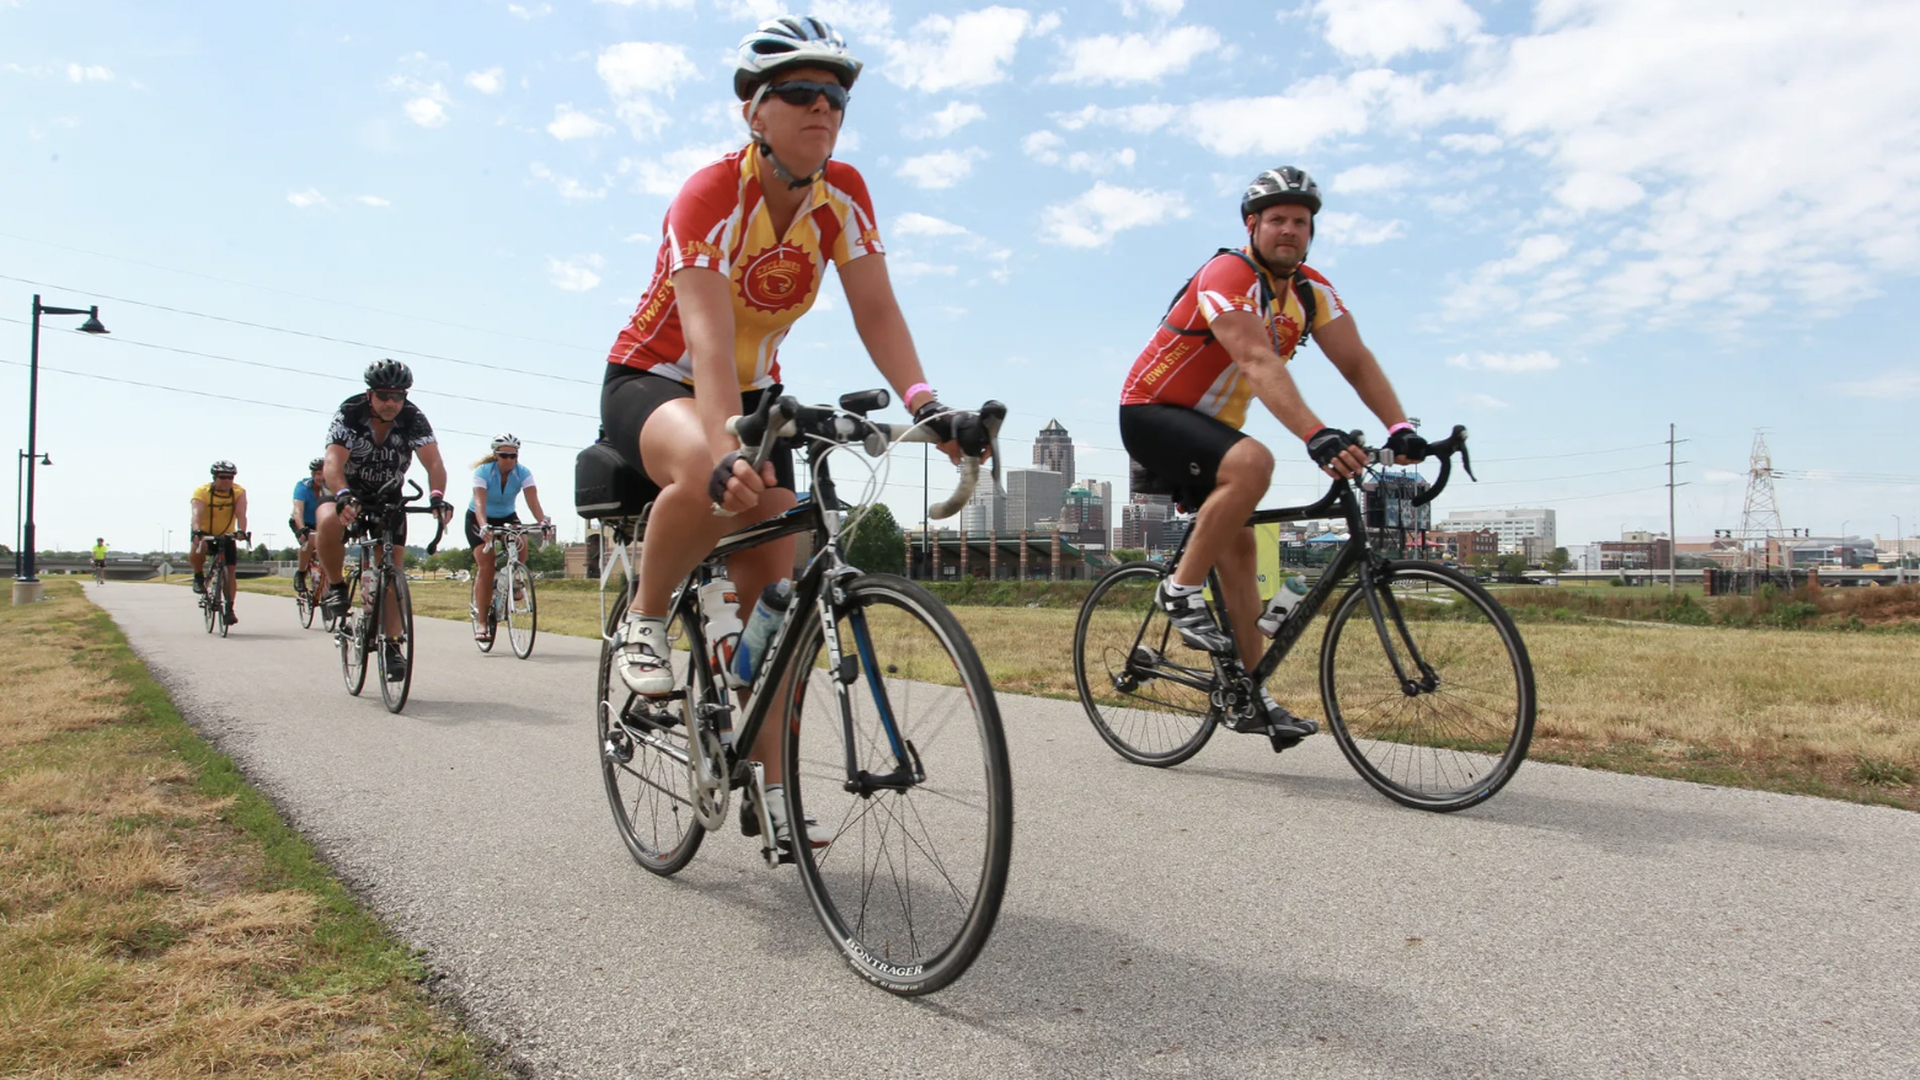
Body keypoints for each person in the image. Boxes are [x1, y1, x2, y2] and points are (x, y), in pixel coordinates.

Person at [600, 14, 987, 849]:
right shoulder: (710, 194)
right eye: (802, 91)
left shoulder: (843, 193)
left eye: (837, 97)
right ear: (755, 110)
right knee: (708, 469)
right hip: (656, 378)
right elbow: (707, 342)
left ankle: (772, 796)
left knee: (772, 615)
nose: (823, 107)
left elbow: (877, 310)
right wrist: (725, 450)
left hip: (756, 392)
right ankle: (646, 618)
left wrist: (926, 404)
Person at [1118, 165, 1427, 745]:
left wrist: (1401, 426)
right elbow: (1256, 359)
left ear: (1312, 231)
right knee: (1255, 462)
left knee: (1239, 554)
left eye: (1301, 222)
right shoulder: (1226, 274)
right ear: (1252, 226)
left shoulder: (1312, 291)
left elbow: (1356, 361)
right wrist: (1315, 433)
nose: (1290, 230)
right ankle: (1178, 592)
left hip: (1211, 432)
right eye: (1277, 219)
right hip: (1152, 411)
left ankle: (1249, 696)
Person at [314, 360, 454, 680]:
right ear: (370, 395)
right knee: (328, 522)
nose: (391, 402)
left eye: (398, 396)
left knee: (392, 570)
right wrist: (343, 495)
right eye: (383, 395)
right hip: (344, 488)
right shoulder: (350, 413)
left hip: (388, 494)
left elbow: (434, 462)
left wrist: (437, 497)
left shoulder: (413, 418)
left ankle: (392, 645)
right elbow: (332, 463)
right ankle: (335, 586)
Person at [466, 433, 551, 642]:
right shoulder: (484, 472)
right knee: (487, 565)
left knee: (521, 543)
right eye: (505, 456)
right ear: (496, 455)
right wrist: (483, 525)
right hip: (479, 517)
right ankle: (482, 622)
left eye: (514, 456)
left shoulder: (523, 473)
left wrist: (542, 522)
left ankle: (512, 579)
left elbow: (532, 500)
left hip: (506, 516)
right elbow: (479, 502)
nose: (510, 460)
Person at [189, 461, 249, 622]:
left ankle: (229, 608)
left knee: (230, 572)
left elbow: (241, 513)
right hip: (204, 532)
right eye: (223, 477)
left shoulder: (238, 491)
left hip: (226, 534)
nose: (227, 481)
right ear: (214, 477)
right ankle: (198, 576)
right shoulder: (202, 492)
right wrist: (197, 531)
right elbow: (196, 514)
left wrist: (241, 531)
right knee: (200, 546)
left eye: (231, 477)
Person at [289, 457, 327, 596]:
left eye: (323, 473)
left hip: (321, 523)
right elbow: (298, 510)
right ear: (313, 474)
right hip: (302, 521)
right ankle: (300, 573)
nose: (320, 477)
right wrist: (302, 529)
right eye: (318, 474)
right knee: (309, 541)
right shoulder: (303, 486)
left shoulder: (331, 487)